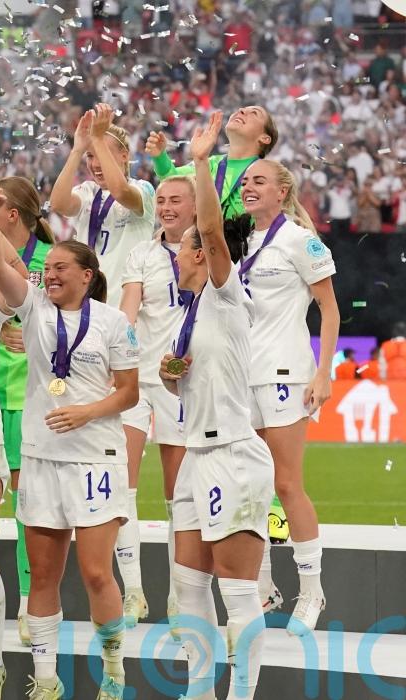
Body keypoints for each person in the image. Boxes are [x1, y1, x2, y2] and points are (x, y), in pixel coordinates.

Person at [0, 230, 140, 698]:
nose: (49, 275)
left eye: (60, 268)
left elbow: (129, 392)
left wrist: (87, 412)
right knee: (42, 574)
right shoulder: (34, 308)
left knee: (96, 572)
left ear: (86, 275)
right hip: (42, 457)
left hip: (95, 457)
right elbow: (2, 266)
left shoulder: (113, 322)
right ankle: (46, 680)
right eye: (47, 268)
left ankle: (114, 672)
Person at [163, 111, 275, 700]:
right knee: (188, 586)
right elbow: (187, 384)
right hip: (194, 457)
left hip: (232, 453)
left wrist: (202, 161)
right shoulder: (186, 314)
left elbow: (210, 229)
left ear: (205, 256)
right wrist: (171, 375)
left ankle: (242, 694)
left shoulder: (228, 296)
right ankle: (199, 689)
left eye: (188, 247)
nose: (180, 253)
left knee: (236, 589)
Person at [237, 158, 339, 633]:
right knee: (252, 484)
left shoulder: (300, 240)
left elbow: (329, 309)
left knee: (286, 484)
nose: (248, 186)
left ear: (282, 191)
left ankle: (312, 589)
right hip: (242, 375)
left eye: (259, 180)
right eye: (245, 180)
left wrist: (323, 374)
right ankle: (264, 586)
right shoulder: (240, 241)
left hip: (285, 372)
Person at [117, 175, 196, 628]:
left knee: (176, 494)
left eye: (175, 200)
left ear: (194, 206)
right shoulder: (142, 254)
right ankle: (133, 592)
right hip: (139, 381)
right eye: (161, 200)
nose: (166, 207)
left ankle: (178, 597)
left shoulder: (205, 252)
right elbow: (128, 311)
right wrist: (114, 348)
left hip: (180, 383)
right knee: (122, 485)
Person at [0, 176, 54, 652]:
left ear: (11, 213)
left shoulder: (53, 259)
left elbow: (70, 318)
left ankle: (30, 602)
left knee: (29, 501)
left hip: (34, 394)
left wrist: (32, 334)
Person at [50, 104, 156, 307]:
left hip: (125, 308)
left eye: (103, 153)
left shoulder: (143, 189)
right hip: (85, 306)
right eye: (90, 156)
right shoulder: (87, 191)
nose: (95, 164)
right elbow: (58, 204)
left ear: (124, 155)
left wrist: (97, 139)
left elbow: (121, 192)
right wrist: (77, 149)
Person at [148, 105, 279, 220]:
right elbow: (172, 181)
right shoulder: (209, 164)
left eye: (254, 113)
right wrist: (160, 156)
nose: (241, 110)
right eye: (242, 109)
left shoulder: (267, 177)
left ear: (265, 138)